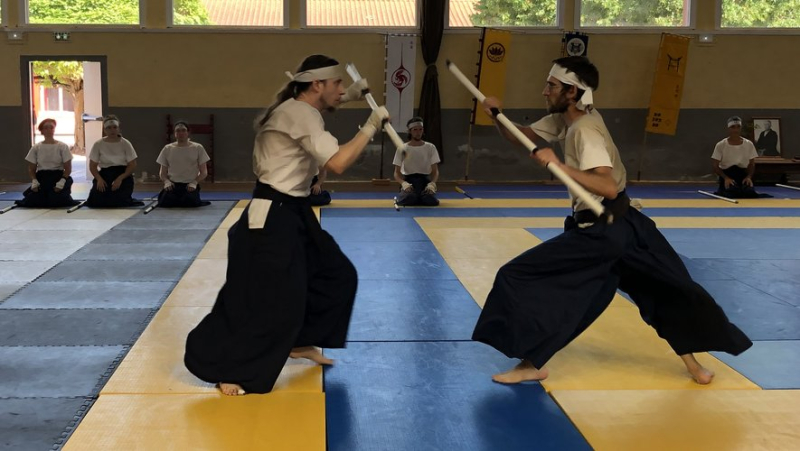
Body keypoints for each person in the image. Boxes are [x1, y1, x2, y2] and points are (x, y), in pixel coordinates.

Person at [473, 56, 752, 386]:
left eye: (551, 85)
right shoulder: (570, 117)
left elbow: (604, 184)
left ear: (573, 92)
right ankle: (693, 367)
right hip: (624, 224)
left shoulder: (585, 131)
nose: (544, 91)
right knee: (652, 291)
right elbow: (528, 138)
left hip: (603, 231)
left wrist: (557, 166)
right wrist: (496, 116)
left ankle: (530, 361)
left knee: (517, 275)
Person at [184, 54, 386, 396]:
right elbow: (337, 163)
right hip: (271, 215)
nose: (340, 88)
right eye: (336, 84)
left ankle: (301, 340)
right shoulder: (299, 113)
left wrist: (349, 95)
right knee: (265, 300)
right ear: (317, 84)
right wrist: (370, 125)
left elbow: (319, 113)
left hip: (293, 210)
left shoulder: (301, 108)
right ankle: (229, 369)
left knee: (335, 274)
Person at [15, 119, 79, 208]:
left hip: (58, 176)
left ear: (54, 129)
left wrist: (62, 181)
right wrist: (34, 181)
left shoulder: (62, 146)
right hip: (42, 177)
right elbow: (31, 168)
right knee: (35, 200)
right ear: (41, 131)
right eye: (46, 128)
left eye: (51, 128)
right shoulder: (36, 147)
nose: (49, 130)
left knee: (55, 200)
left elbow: (68, 168)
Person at [85, 115, 143, 207]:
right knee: (96, 201)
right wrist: (99, 179)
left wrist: (120, 178)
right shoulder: (98, 144)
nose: (112, 130)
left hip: (122, 174)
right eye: (109, 128)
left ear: (118, 129)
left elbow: (132, 164)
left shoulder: (125, 143)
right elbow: (92, 165)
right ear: (105, 130)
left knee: (119, 201)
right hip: (105, 174)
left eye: (114, 127)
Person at [156, 121, 212, 208]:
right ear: (174, 133)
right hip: (173, 185)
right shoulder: (167, 149)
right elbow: (162, 172)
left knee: (190, 202)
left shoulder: (197, 148)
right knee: (164, 202)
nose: (181, 133)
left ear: (188, 133)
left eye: (183, 130)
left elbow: (204, 172)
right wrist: (166, 181)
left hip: (189, 185)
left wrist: (194, 182)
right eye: (178, 131)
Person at [711, 116, 769, 199]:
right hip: (728, 174)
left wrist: (748, 177)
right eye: (733, 127)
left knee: (749, 193)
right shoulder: (721, 145)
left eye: (738, 127)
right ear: (729, 129)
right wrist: (726, 178)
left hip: (742, 174)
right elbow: (715, 165)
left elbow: (752, 164)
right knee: (732, 193)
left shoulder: (748, 144)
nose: (736, 130)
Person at [392, 116, 440, 206]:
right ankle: (414, 196)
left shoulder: (430, 147)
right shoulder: (402, 148)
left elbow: (435, 171)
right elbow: (396, 173)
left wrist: (432, 184)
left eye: (420, 129)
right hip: (409, 181)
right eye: (415, 130)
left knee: (430, 200)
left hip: (425, 180)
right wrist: (404, 184)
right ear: (410, 131)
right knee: (410, 198)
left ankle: (421, 196)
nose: (418, 133)